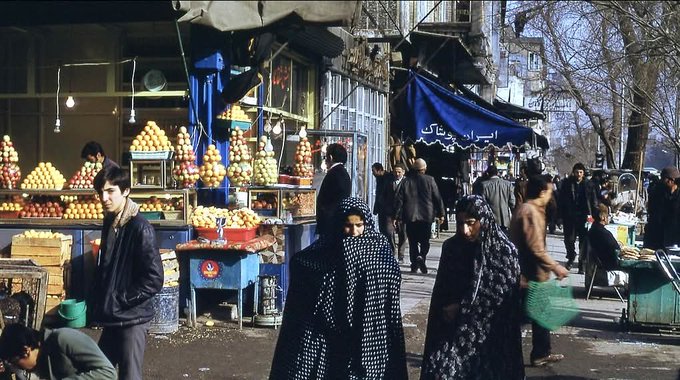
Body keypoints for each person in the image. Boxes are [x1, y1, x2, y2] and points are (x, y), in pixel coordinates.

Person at [269, 197, 407, 379]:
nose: (354, 231)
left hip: (368, 332)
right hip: (327, 332)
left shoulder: (379, 248)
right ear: (338, 225)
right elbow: (305, 264)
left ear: (366, 223)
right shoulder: (327, 249)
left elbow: (390, 280)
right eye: (348, 226)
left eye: (359, 225)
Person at [420, 195, 524, 380]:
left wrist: (462, 306)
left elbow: (502, 299)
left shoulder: (503, 251)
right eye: (460, 223)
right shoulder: (452, 248)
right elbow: (441, 291)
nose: (465, 230)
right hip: (452, 333)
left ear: (483, 220)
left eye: (470, 223)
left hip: (490, 338)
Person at [90, 165, 163, 380]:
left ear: (126, 191)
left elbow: (154, 279)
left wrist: (119, 299)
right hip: (113, 316)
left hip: (132, 318)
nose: (104, 197)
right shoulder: (111, 222)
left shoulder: (140, 228)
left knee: (129, 375)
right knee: (99, 372)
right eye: (100, 192)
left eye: (110, 191)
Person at [509, 175, 570, 367]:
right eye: (550, 192)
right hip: (529, 274)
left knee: (539, 315)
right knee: (526, 316)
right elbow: (536, 248)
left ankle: (541, 352)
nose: (551, 196)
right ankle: (534, 353)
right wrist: (556, 266)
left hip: (531, 273)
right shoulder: (530, 212)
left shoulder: (530, 209)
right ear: (542, 192)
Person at [0, 323, 117, 379]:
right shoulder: (43, 361)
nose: (18, 368)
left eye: (14, 361)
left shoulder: (63, 338)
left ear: (26, 350)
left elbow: (108, 373)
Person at [395, 158, 445, 274]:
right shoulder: (430, 180)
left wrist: (396, 216)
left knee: (412, 241)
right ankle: (421, 256)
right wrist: (442, 213)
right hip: (426, 216)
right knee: (425, 241)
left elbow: (399, 201)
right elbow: (437, 198)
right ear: (424, 169)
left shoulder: (406, 182)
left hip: (410, 216)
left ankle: (414, 263)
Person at [558, 163, 599, 273]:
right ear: (573, 172)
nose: (579, 174)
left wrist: (594, 216)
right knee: (569, 240)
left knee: (584, 241)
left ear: (583, 173)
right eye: (577, 172)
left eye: (581, 172)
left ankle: (582, 263)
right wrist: (559, 217)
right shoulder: (566, 184)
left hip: (584, 217)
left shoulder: (589, 184)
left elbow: (594, 201)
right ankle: (571, 256)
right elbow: (561, 201)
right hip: (570, 217)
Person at [316, 143, 351, 237]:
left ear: (330, 157)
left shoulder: (333, 174)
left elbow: (327, 200)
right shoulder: (344, 174)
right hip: (338, 222)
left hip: (330, 224)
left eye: (325, 157)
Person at [644, 166, 680, 250]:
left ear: (671, 180)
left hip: (675, 238)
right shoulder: (657, 193)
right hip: (656, 237)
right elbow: (653, 213)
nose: (662, 181)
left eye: (664, 178)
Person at [477, 165, 515, 231]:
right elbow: (512, 203)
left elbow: (482, 205)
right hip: (505, 221)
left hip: (490, 221)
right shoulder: (508, 185)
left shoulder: (484, 185)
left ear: (488, 173)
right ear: (497, 173)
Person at [587, 204, 622, 270]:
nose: (609, 217)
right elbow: (617, 250)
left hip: (598, 265)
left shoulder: (591, 231)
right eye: (608, 215)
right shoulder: (605, 234)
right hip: (608, 267)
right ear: (603, 217)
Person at [371, 162, 396, 250]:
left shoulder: (389, 178)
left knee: (388, 230)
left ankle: (392, 249)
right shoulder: (379, 178)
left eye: (373, 171)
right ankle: (385, 247)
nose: (372, 173)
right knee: (382, 229)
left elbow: (391, 194)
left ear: (379, 170)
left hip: (388, 210)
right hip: (381, 209)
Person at [390, 164, 408, 262]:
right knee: (390, 233)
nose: (397, 174)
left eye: (399, 172)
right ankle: (392, 252)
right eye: (395, 172)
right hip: (391, 212)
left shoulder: (407, 182)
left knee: (403, 234)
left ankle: (401, 255)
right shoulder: (390, 182)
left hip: (403, 213)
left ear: (403, 172)